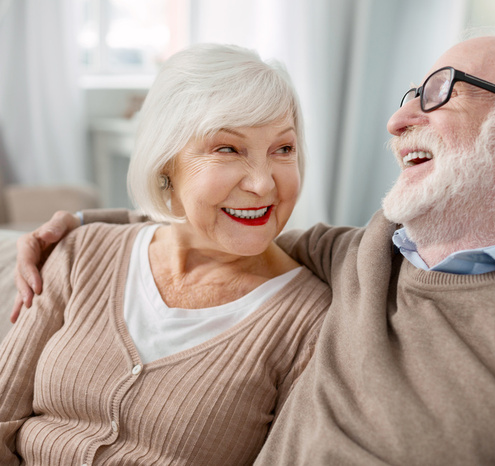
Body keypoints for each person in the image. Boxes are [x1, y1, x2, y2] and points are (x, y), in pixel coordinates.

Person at [11, 26, 495, 464]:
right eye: (407, 97)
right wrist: (79, 232)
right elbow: (211, 231)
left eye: (438, 94)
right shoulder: (363, 257)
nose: (398, 121)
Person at [0, 43, 331, 465]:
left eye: (283, 150)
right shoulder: (80, 252)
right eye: (228, 149)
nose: (264, 185)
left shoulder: (310, 322)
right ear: (165, 164)